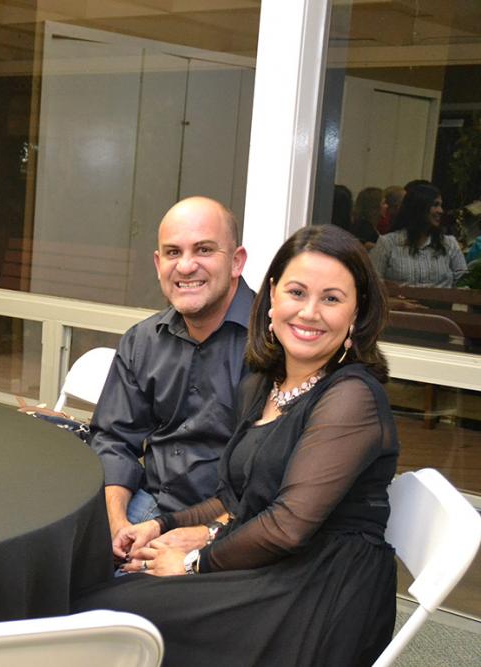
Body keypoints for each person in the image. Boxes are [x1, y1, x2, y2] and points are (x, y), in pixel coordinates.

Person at [74, 224, 398, 667]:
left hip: (319, 590)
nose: (309, 313)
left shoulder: (351, 398)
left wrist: (193, 562)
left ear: (357, 315)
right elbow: (234, 500)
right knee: (101, 593)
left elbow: (287, 526)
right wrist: (163, 525)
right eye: (297, 292)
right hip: (271, 561)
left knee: (108, 614)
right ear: (272, 297)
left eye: (331, 299)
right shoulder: (266, 383)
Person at [89, 196, 253, 540]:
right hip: (150, 505)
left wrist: (193, 541)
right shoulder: (142, 341)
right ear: (158, 263)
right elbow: (114, 440)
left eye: (204, 250)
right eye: (173, 252)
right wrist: (117, 525)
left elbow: (273, 481)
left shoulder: (274, 343)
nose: (186, 266)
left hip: (234, 523)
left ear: (236, 261)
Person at [370, 182, 467, 287]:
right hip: (400, 297)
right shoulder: (387, 243)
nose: (441, 211)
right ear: (419, 207)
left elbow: (464, 283)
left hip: (442, 297)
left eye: (440, 205)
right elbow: (372, 284)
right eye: (435, 205)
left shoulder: (449, 244)